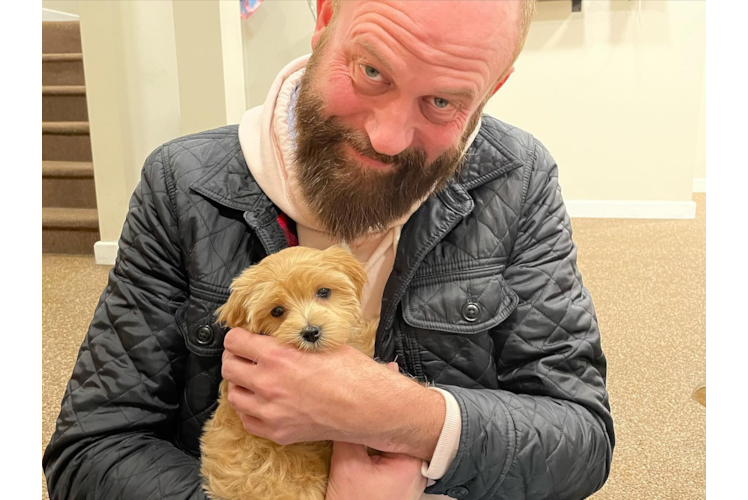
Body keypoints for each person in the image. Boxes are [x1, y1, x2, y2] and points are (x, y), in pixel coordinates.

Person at [43, 1, 615, 499]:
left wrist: (406, 418)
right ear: (324, 18)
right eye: (371, 70)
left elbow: (581, 439)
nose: (388, 137)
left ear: (493, 87)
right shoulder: (181, 184)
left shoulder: (518, 179)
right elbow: (90, 452)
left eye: (443, 101)